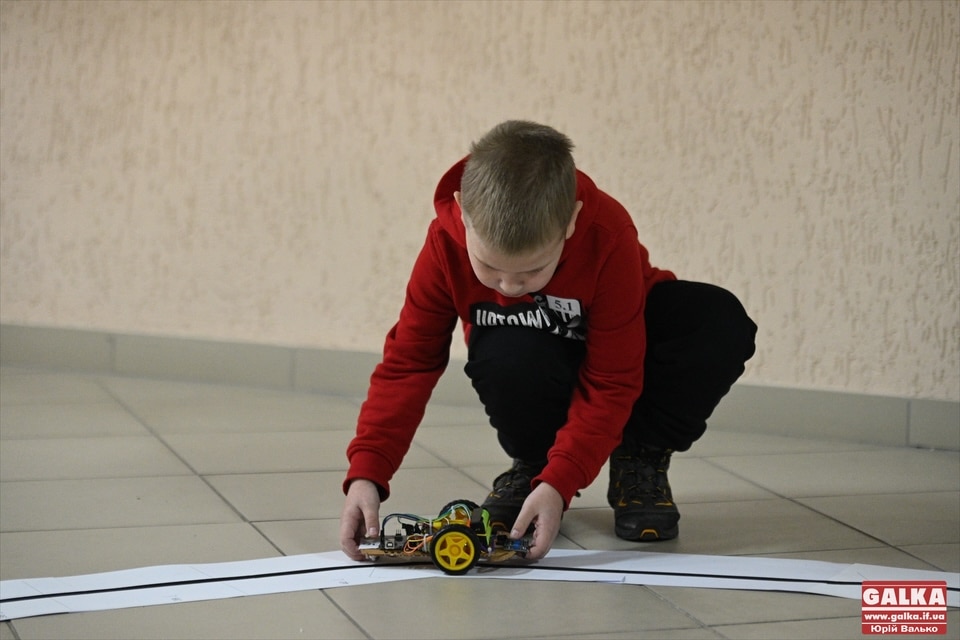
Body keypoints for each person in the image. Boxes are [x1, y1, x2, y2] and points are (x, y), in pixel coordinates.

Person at [340, 120, 757, 561]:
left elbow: (613, 378)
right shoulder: (444, 242)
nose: (509, 286)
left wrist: (563, 482)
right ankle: (533, 466)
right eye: (490, 267)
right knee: (509, 346)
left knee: (715, 321)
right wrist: (367, 473)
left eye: (533, 270)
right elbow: (409, 362)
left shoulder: (608, 233)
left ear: (571, 222)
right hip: (533, 359)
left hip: (622, 352)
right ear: (462, 212)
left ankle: (640, 458)